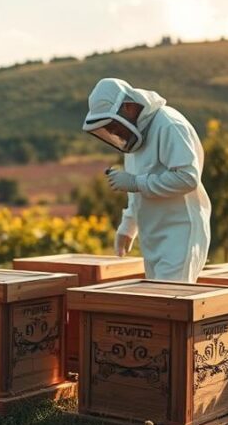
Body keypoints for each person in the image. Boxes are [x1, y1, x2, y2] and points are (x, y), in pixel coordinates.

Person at [81, 77, 211, 281]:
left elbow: (187, 177)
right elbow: (138, 190)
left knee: (169, 305)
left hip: (180, 236)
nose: (114, 132)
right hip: (153, 238)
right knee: (158, 306)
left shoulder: (169, 125)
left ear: (129, 107)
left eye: (113, 125)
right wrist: (128, 226)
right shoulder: (134, 140)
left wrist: (136, 182)